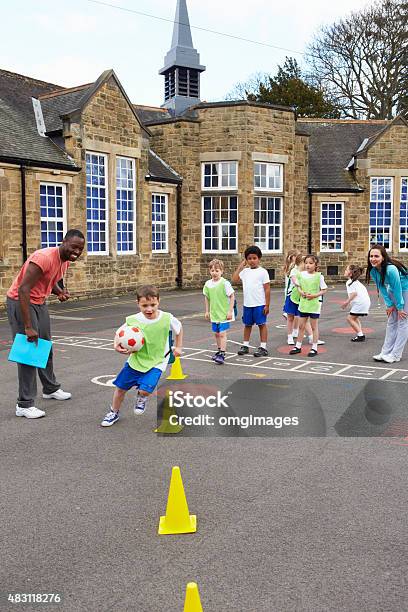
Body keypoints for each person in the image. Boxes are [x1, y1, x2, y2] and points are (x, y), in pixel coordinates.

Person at [6, 229, 85, 419]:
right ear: (64, 242)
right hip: (21, 302)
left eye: (81, 249)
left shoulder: (64, 260)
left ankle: (49, 388)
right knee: (29, 352)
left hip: (39, 302)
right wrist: (28, 326)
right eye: (74, 247)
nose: (77, 251)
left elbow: (52, 278)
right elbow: (23, 289)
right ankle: (24, 404)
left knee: (45, 347)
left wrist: (58, 292)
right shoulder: (43, 257)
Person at [101, 285, 183, 427]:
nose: (149, 309)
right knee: (120, 389)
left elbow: (179, 329)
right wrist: (116, 345)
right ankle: (113, 412)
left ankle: (141, 397)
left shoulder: (167, 318)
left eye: (153, 305)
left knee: (144, 390)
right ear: (138, 303)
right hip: (136, 361)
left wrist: (179, 346)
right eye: (145, 305)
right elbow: (119, 333)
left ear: (159, 301)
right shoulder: (133, 320)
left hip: (157, 361)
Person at [366, 244, 408, 363]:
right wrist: (389, 305)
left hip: (405, 288)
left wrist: (400, 307)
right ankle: (385, 352)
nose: (373, 259)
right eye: (371, 256)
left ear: (383, 257)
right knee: (391, 321)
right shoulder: (373, 270)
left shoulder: (391, 269)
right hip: (392, 288)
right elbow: (382, 288)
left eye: (376, 256)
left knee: (403, 321)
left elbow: (398, 288)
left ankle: (396, 355)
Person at [231, 245, 270, 357]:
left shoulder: (263, 272)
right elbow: (234, 279)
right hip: (247, 304)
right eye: (249, 258)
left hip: (259, 304)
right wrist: (240, 267)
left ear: (259, 258)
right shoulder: (245, 271)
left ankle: (263, 347)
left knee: (261, 324)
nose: (252, 261)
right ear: (246, 260)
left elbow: (267, 289)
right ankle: (245, 345)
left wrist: (267, 305)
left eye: (254, 258)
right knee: (247, 325)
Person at [289, 254, 328, 357]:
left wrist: (314, 295)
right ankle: (298, 346)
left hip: (314, 304)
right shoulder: (301, 274)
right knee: (301, 326)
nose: (308, 265)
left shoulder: (319, 276)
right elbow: (298, 286)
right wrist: (301, 292)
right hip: (304, 303)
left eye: (311, 263)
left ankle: (314, 348)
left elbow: (324, 290)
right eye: (306, 263)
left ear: (316, 265)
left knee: (314, 327)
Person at [203, 259, 235, 365]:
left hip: (224, 313)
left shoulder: (225, 283)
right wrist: (207, 311)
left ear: (222, 271)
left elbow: (232, 296)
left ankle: (222, 353)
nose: (214, 273)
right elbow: (207, 298)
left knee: (222, 334)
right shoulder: (208, 284)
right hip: (214, 313)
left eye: (217, 270)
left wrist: (230, 311)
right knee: (216, 334)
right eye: (212, 270)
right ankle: (219, 350)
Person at [341, 265, 371, 341]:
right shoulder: (356, 282)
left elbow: (354, 294)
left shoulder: (349, 282)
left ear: (350, 274)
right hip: (364, 302)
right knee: (355, 318)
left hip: (360, 303)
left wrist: (346, 302)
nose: (345, 271)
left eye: (346, 270)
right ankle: (360, 333)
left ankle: (360, 335)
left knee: (349, 318)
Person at [283, 250, 302, 345]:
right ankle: (290, 336)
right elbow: (295, 282)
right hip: (291, 294)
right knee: (291, 317)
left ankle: (296, 331)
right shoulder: (292, 269)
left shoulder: (303, 271)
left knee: (299, 316)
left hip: (300, 296)